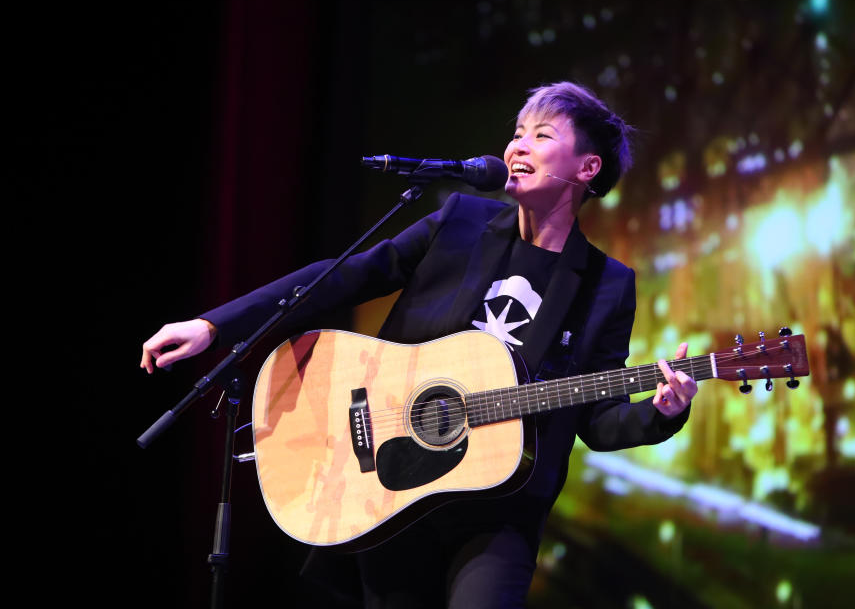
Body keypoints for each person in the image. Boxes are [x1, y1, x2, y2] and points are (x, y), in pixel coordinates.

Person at [141, 81, 698, 608]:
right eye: (519, 131)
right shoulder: (461, 220)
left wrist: (663, 413)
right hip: (391, 483)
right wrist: (217, 326)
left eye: (542, 135)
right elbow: (342, 277)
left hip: (496, 515)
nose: (518, 145)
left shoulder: (606, 283)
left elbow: (597, 421)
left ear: (587, 168)